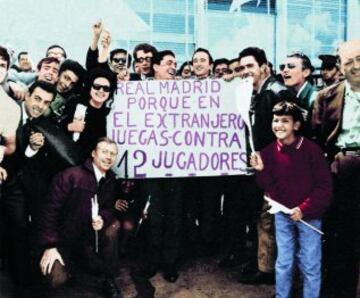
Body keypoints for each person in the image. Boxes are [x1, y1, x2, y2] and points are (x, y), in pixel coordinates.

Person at [251, 101, 332, 298]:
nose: (279, 125)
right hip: (282, 214)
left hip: (308, 216)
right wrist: (261, 171)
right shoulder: (269, 152)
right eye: (276, 120)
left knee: (310, 263)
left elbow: (324, 187)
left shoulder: (312, 150)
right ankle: (282, 295)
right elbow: (268, 187)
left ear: (296, 125)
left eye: (285, 121)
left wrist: (305, 208)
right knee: (284, 261)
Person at [38, 137, 122, 298]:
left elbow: (108, 208)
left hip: (87, 237)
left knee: (113, 226)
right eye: (104, 151)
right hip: (61, 239)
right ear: (93, 154)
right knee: (55, 279)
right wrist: (49, 245)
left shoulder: (110, 179)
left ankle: (108, 278)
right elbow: (49, 211)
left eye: (113, 153)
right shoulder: (71, 176)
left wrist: (102, 218)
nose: (109, 157)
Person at [312, 40, 360, 298]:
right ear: (341, 66)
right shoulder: (326, 96)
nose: (355, 66)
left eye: (359, 59)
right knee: (339, 240)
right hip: (341, 169)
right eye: (348, 61)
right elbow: (316, 140)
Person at [237, 47, 289, 285]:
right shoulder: (256, 92)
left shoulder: (274, 92)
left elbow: (285, 133)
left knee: (268, 219)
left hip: (275, 169)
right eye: (243, 67)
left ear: (263, 66)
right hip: (261, 168)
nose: (246, 71)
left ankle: (267, 271)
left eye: (250, 66)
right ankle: (263, 265)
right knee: (262, 218)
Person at [64, 67, 117, 161]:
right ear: (90, 87)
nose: (101, 91)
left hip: (93, 164)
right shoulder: (75, 104)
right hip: (68, 159)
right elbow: (54, 125)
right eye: (97, 86)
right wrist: (69, 127)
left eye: (106, 88)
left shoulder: (109, 114)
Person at [44, 59, 86, 123]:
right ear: (59, 74)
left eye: (72, 84)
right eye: (66, 78)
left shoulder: (71, 102)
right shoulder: (43, 83)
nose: (67, 84)